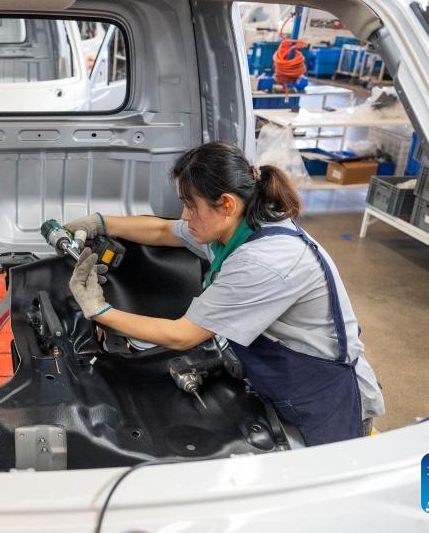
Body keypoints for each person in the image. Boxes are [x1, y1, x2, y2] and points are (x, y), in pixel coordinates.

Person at [65, 142, 384, 446]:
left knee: (324, 490)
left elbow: (182, 335)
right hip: (286, 379)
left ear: (227, 204)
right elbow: (163, 231)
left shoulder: (264, 261)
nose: (185, 215)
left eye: (191, 205)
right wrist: (100, 223)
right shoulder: (235, 226)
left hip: (323, 396)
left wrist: (97, 309)